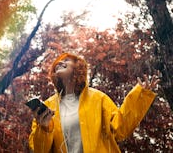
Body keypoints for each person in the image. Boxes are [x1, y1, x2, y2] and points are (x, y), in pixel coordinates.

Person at [28, 53, 160, 153]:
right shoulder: (47, 107)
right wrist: (44, 129)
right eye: (57, 62)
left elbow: (121, 128)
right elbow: (39, 150)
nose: (60, 62)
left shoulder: (98, 98)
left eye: (66, 60)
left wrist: (140, 95)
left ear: (77, 67)